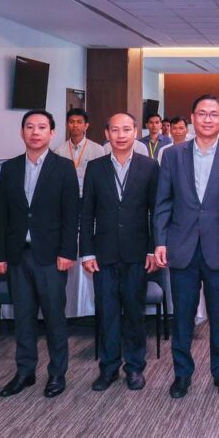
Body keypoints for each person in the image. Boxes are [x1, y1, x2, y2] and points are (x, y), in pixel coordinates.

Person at [154, 95, 219, 400]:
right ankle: (182, 374)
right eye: (202, 113)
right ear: (192, 118)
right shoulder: (172, 155)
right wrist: (160, 241)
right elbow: (163, 202)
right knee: (182, 315)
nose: (208, 119)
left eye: (214, 114)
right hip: (182, 247)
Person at [0, 109, 80, 398]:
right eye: (29, 127)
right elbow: (1, 214)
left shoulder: (63, 167)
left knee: (54, 317)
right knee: (23, 317)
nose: (35, 132)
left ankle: (57, 373)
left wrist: (68, 251)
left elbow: (71, 215)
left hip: (51, 256)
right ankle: (25, 371)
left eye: (42, 127)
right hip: (18, 255)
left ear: (52, 133)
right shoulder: (10, 168)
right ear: (22, 132)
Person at [80, 112, 160, 391]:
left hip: (137, 253)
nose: (121, 135)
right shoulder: (95, 167)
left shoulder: (149, 166)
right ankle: (109, 368)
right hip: (103, 254)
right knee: (107, 313)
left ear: (135, 132)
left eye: (126, 129)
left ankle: (135, 367)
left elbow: (156, 212)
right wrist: (87, 252)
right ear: (107, 134)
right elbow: (86, 213)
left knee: (135, 313)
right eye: (115, 130)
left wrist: (152, 249)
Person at [54, 107, 105, 194]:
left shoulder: (98, 149)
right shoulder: (59, 151)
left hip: (90, 194)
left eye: (79, 122)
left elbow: (102, 177)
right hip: (67, 194)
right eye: (71, 122)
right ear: (66, 125)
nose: (75, 125)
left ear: (86, 126)